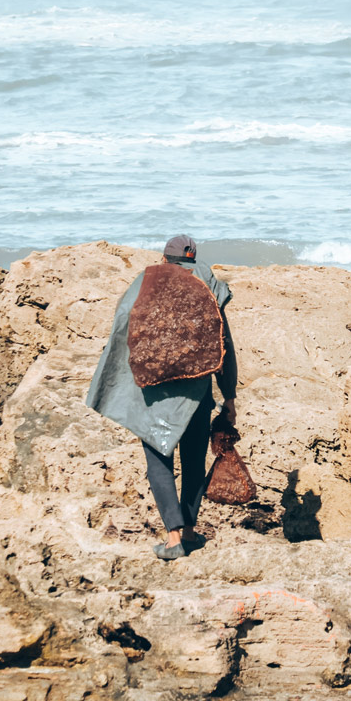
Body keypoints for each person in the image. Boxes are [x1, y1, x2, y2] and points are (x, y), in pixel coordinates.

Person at [86, 235, 238, 560]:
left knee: (159, 460)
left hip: (155, 392)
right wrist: (229, 396)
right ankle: (191, 532)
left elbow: (122, 327)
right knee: (194, 462)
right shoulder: (209, 286)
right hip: (198, 394)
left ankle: (172, 539)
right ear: (193, 258)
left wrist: (117, 383)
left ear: (165, 258)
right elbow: (226, 346)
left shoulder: (146, 283)